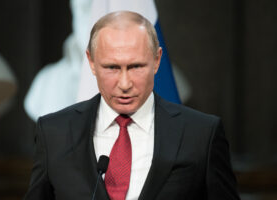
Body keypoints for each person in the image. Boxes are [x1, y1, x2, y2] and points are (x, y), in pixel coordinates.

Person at [24, 11, 240, 200]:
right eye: (112, 67)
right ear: (91, 62)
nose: (125, 84)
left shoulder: (201, 134)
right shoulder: (54, 133)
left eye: (136, 66)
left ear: (157, 61)